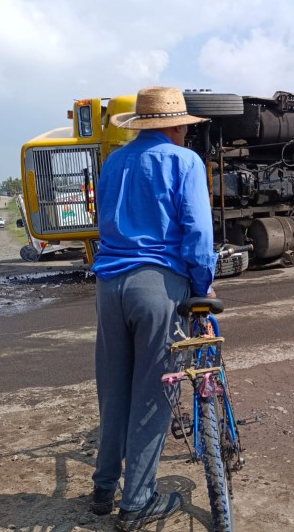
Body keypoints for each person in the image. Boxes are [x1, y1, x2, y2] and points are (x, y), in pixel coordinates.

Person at [89, 87, 217, 530]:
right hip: (158, 285)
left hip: (110, 284)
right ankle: (138, 501)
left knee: (114, 389)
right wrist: (202, 284)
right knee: (153, 394)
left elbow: (102, 219)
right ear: (178, 125)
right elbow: (198, 232)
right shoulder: (185, 162)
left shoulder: (115, 162)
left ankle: (104, 489)